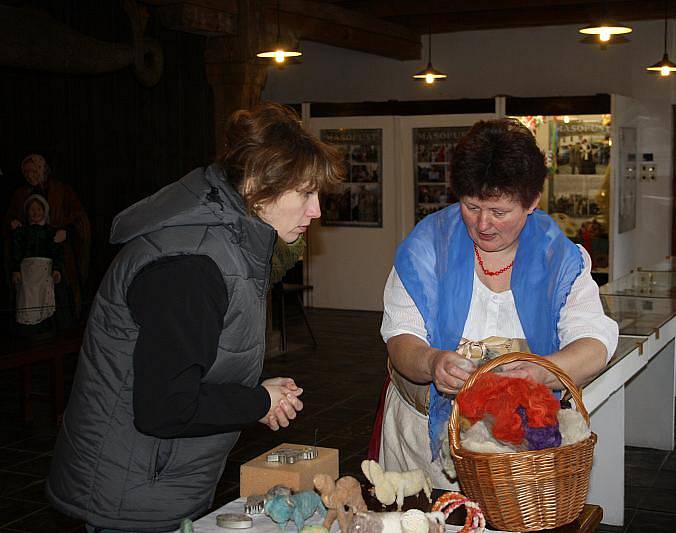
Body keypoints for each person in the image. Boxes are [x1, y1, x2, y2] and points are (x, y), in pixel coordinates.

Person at [46, 102, 343, 531]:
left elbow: (191, 366)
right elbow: (164, 406)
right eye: (305, 193)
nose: (315, 211)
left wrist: (258, 393)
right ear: (257, 184)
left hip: (152, 485)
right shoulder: (192, 265)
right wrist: (258, 402)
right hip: (130, 500)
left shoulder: (222, 245)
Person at [377, 118, 618, 489]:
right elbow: (400, 338)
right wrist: (432, 361)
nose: (483, 224)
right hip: (422, 439)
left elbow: (594, 344)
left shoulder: (560, 259)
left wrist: (543, 371)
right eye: (471, 206)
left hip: (517, 449)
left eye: (499, 211)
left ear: (532, 201)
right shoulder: (425, 249)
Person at [4, 154, 91, 315]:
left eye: (34, 171)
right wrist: (12, 223)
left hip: (57, 249)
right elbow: (10, 217)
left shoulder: (62, 190)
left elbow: (80, 218)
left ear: (42, 170)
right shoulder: (20, 194)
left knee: (58, 289)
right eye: (26, 172)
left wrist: (67, 232)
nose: (30, 176)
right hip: (29, 255)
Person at [10, 194, 65, 327]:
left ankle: (45, 326)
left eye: (38, 209)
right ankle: (28, 328)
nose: (35, 213)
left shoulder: (50, 231)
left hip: (44, 271)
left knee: (44, 299)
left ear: (44, 211)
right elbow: (16, 251)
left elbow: (56, 252)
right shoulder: (22, 231)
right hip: (27, 272)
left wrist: (57, 269)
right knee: (27, 299)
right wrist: (16, 269)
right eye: (32, 210)